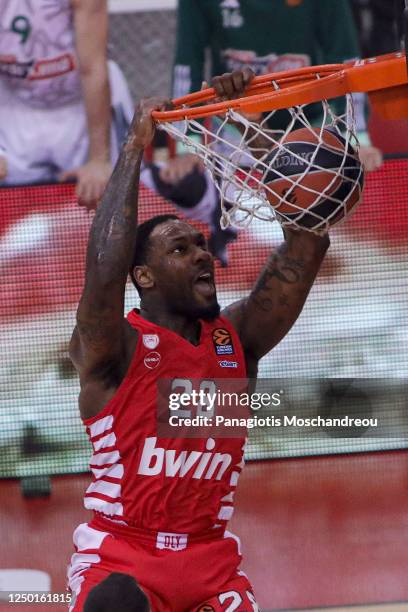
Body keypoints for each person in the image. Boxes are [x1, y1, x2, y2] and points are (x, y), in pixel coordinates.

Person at [67, 68, 330, 611]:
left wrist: (254, 123)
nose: (202, 253)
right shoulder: (112, 349)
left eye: (201, 243)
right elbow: (102, 267)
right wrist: (134, 147)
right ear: (144, 277)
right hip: (122, 557)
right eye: (180, 249)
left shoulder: (238, 340)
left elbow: (305, 249)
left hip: (211, 563)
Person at [145, 0, 381, 266]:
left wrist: (357, 138)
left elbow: (346, 59)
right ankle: (224, 228)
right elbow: (188, 63)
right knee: (184, 185)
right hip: (233, 127)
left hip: (309, 127)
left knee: (316, 221)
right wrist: (189, 147)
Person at [0, 0, 132, 209]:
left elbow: (93, 68)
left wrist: (99, 159)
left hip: (82, 103)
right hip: (15, 103)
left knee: (102, 200)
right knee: (15, 213)